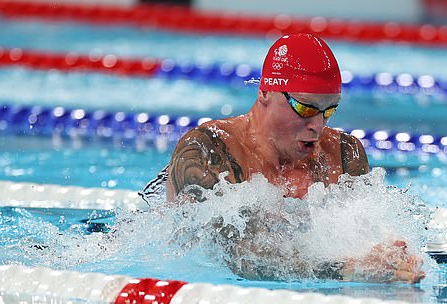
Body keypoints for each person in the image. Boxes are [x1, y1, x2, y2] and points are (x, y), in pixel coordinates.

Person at [141, 33, 424, 284]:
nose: (318, 125)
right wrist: (348, 268)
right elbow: (239, 257)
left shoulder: (343, 154)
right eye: (304, 107)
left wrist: (392, 255)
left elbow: (364, 231)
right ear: (265, 91)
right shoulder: (209, 151)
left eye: (329, 110)